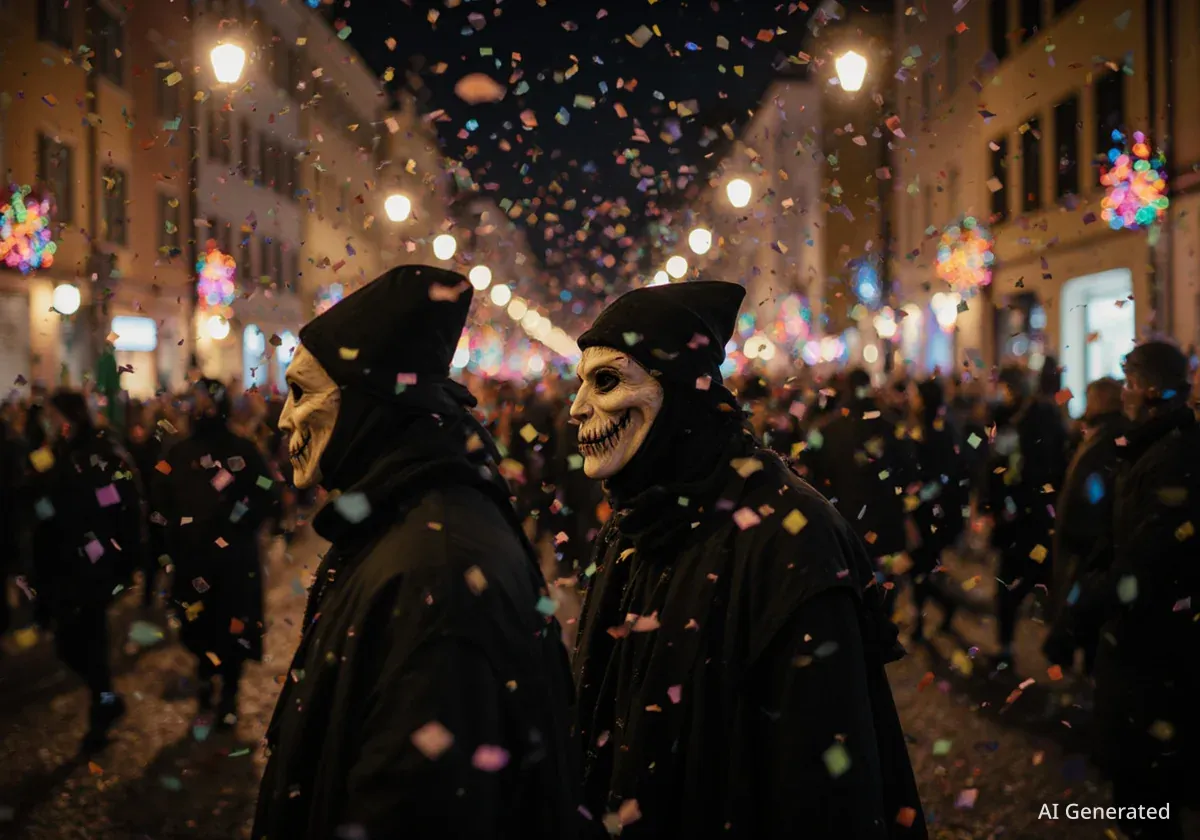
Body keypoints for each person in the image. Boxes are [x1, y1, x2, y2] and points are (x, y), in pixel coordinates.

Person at [570, 281, 925, 838]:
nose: (578, 408)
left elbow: (824, 787)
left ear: (681, 391)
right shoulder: (637, 519)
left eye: (607, 382)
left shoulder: (791, 537)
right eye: (581, 383)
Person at [253, 265, 577, 840]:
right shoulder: (409, 521)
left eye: (302, 393)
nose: (283, 419)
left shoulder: (438, 573)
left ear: (365, 403)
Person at [1091, 342, 1199, 839]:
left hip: (1154, 646)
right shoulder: (1147, 447)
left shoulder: (1171, 457)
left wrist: (1084, 605)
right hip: (1141, 643)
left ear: (1154, 389)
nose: (1124, 394)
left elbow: (1147, 559)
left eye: (1130, 383)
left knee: (1149, 786)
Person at [155, 379, 280, 728]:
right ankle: (210, 686)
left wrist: (233, 521)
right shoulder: (179, 453)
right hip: (199, 561)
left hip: (229, 562)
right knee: (201, 628)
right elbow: (160, 501)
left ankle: (227, 695)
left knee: (227, 627)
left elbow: (266, 493)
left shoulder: (242, 449)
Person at [32, 390, 146, 751]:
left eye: (53, 414)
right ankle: (106, 700)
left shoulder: (102, 454)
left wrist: (119, 555)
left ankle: (103, 710)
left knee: (89, 639)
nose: (48, 422)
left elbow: (120, 506)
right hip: (63, 562)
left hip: (92, 562)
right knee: (70, 644)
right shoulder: (57, 454)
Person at [980, 366, 1068, 670]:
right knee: (1041, 580)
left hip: (1021, 519)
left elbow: (999, 466)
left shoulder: (1016, 422)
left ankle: (1009, 647)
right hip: (1041, 517)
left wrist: (992, 504)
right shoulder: (1049, 417)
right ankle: (1057, 650)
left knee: (1011, 586)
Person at [1042, 377, 1128, 675]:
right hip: (1083, 546)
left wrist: (1081, 537)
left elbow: (1095, 494)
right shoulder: (1101, 434)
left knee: (1085, 620)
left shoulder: (1109, 438)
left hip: (1087, 549)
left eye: (1090, 399)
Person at [906, 378, 967, 640]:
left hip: (933, 512)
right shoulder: (933, 425)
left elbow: (942, 475)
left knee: (921, 567)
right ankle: (934, 612)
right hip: (932, 509)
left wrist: (919, 498)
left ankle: (935, 613)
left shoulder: (937, 429)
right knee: (923, 567)